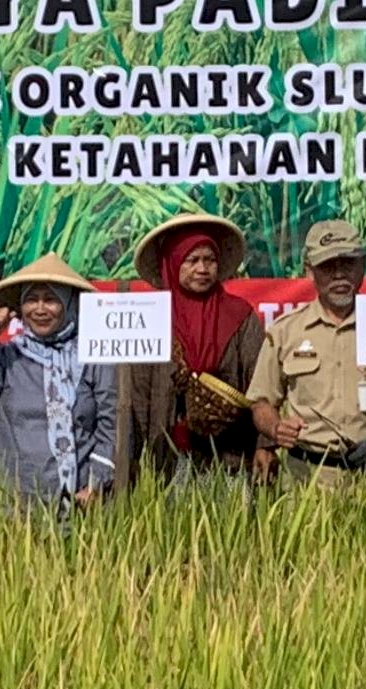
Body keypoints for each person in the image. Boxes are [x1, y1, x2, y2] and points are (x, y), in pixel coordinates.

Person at [247, 219, 366, 494]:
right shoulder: (286, 331)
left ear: (364, 265)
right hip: (306, 481)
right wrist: (275, 427)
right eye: (327, 266)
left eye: (348, 263)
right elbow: (262, 401)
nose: (338, 275)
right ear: (309, 271)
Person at [0, 254, 120, 521]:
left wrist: (96, 485)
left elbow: (109, 423)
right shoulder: (7, 356)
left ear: (69, 304)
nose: (40, 309)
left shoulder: (93, 358)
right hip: (15, 504)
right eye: (31, 299)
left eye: (51, 299)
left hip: (80, 502)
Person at [108, 211, 269, 494]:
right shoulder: (150, 318)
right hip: (164, 460)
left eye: (210, 260)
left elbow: (262, 386)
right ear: (172, 263)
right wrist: (132, 458)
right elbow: (136, 392)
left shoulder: (240, 316)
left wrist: (264, 446)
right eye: (191, 260)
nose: (202, 268)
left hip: (230, 458)